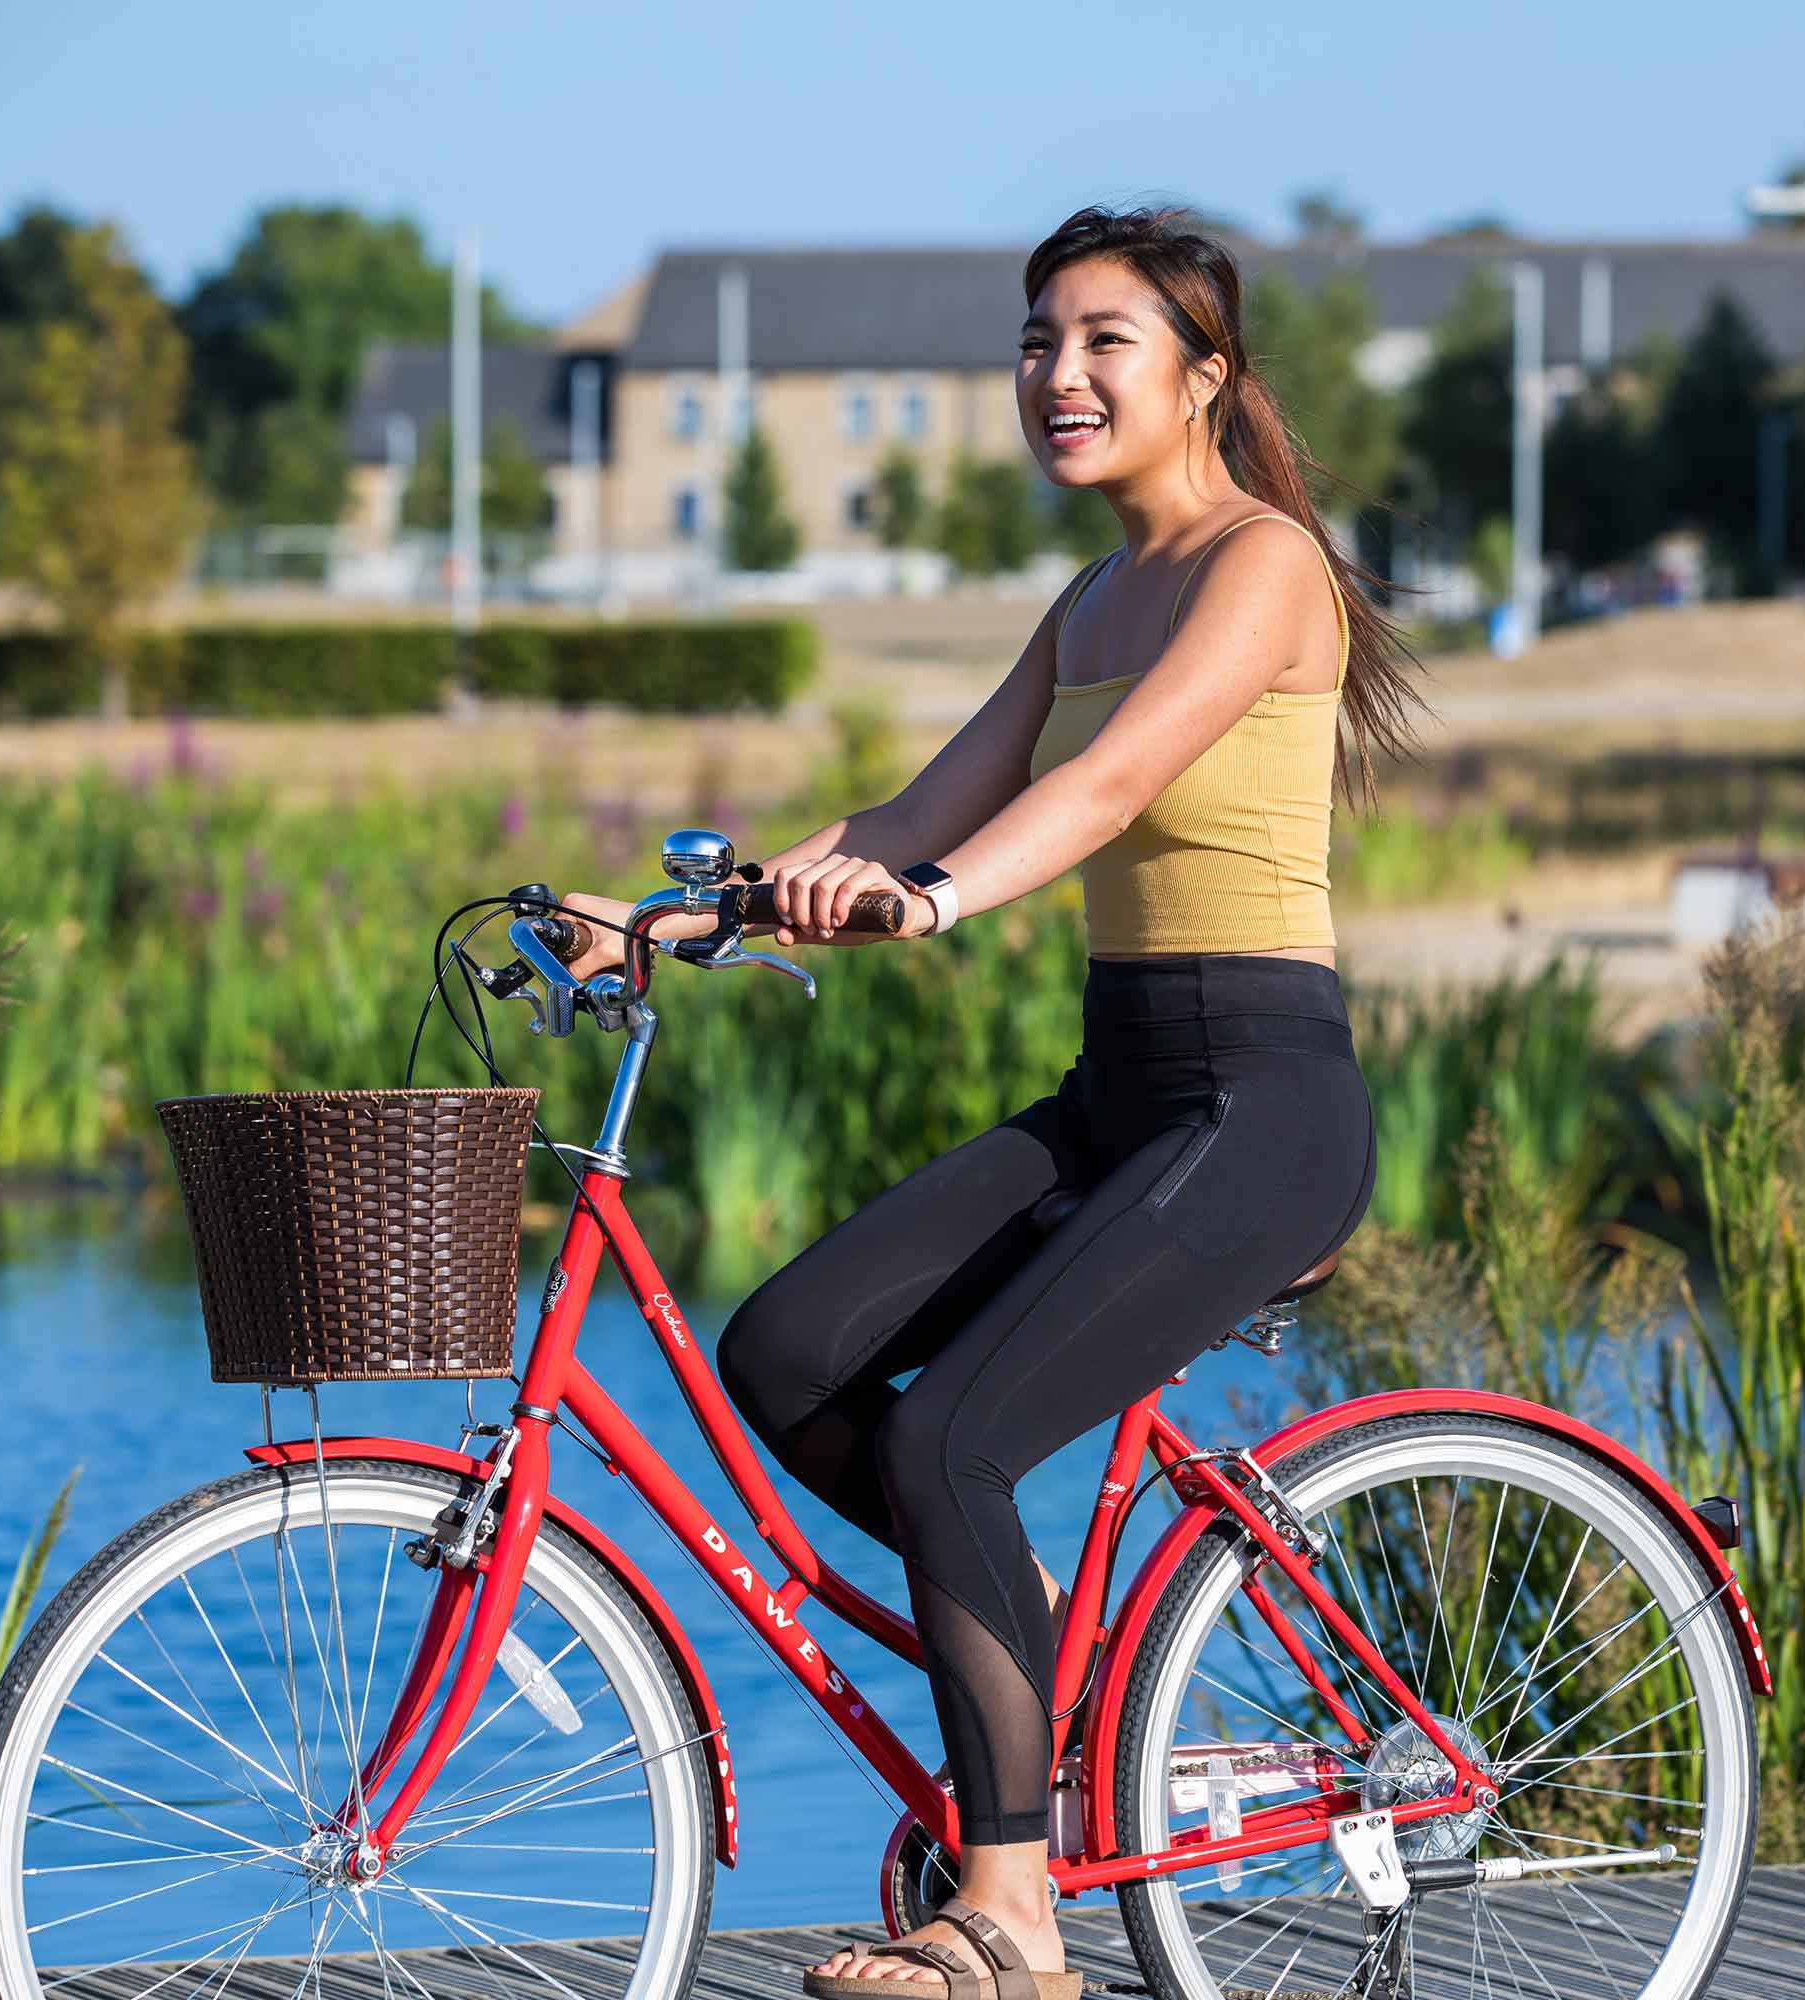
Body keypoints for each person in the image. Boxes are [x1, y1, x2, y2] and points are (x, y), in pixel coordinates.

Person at [553, 207, 1417, 2000]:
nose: (1061, 375)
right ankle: (1025, 1669)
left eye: (1106, 341)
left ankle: (1013, 1923)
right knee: (787, 1354)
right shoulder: (1091, 593)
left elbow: (1103, 789)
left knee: (950, 1437)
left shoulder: (1265, 567)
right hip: (1123, 1091)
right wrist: (663, 920)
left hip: (1262, 1107)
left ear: (1204, 380)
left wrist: (936, 904)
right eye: (1038, 340)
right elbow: (913, 808)